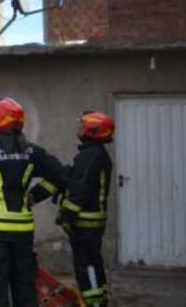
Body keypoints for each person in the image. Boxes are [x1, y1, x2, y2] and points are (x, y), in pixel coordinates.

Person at [0, 98, 66, 307]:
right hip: (23, 232)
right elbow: (61, 175)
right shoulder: (32, 151)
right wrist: (34, 196)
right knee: (24, 284)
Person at [56, 111, 116, 307]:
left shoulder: (88, 156)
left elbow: (79, 191)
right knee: (94, 262)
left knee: (86, 265)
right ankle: (100, 300)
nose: (79, 130)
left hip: (85, 222)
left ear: (93, 131)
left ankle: (93, 303)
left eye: (83, 127)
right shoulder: (97, 154)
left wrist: (65, 216)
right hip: (93, 220)